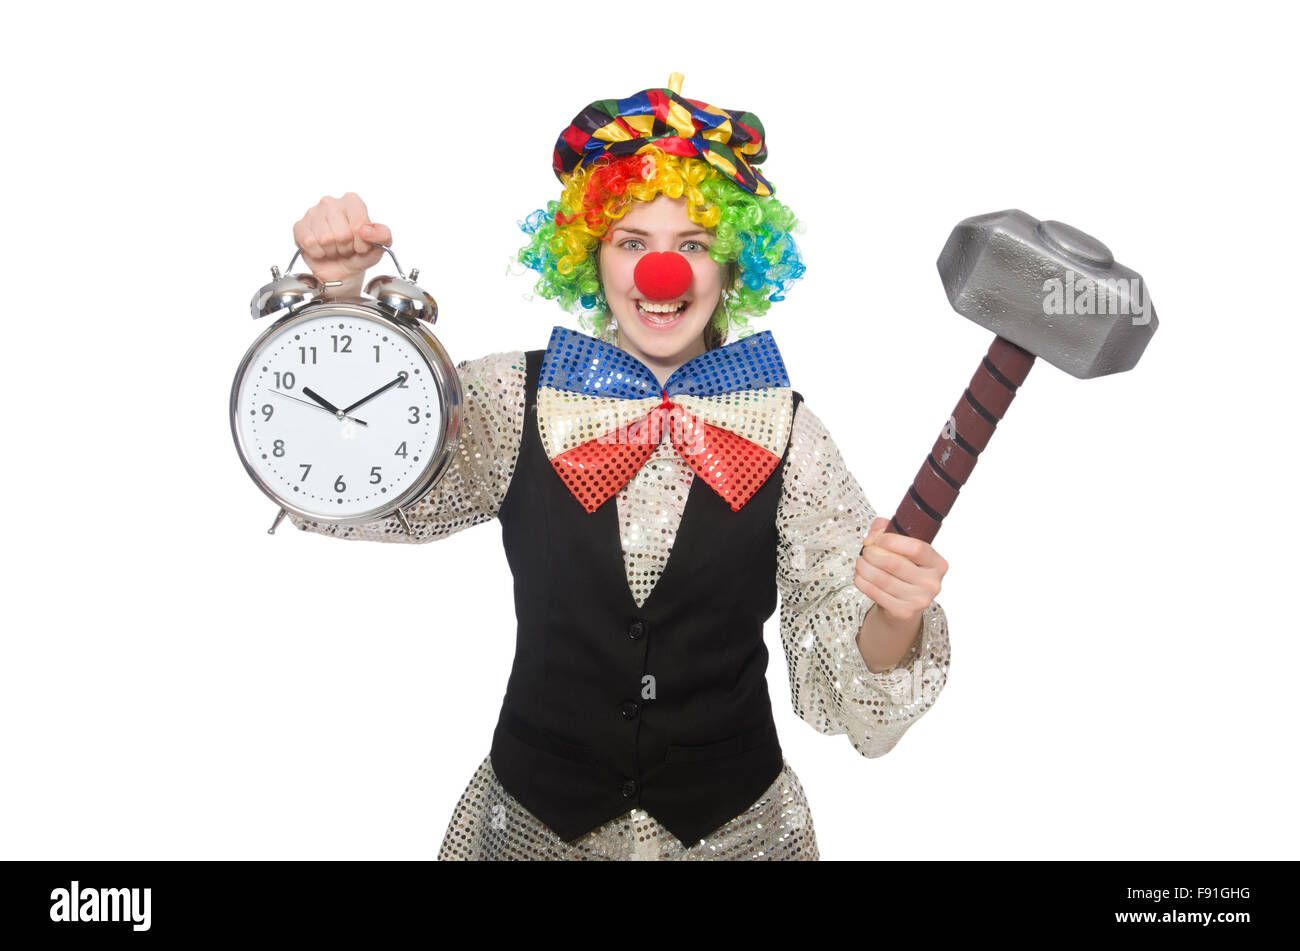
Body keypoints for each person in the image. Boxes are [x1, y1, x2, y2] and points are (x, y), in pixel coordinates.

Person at [286, 74, 952, 861]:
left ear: (734, 264)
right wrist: (340, 292)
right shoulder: (512, 400)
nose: (658, 275)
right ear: (590, 256)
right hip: (530, 831)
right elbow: (346, 478)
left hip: (740, 836)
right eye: (631, 242)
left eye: (692, 246)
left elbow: (849, 691)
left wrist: (897, 613)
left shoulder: (787, 430)